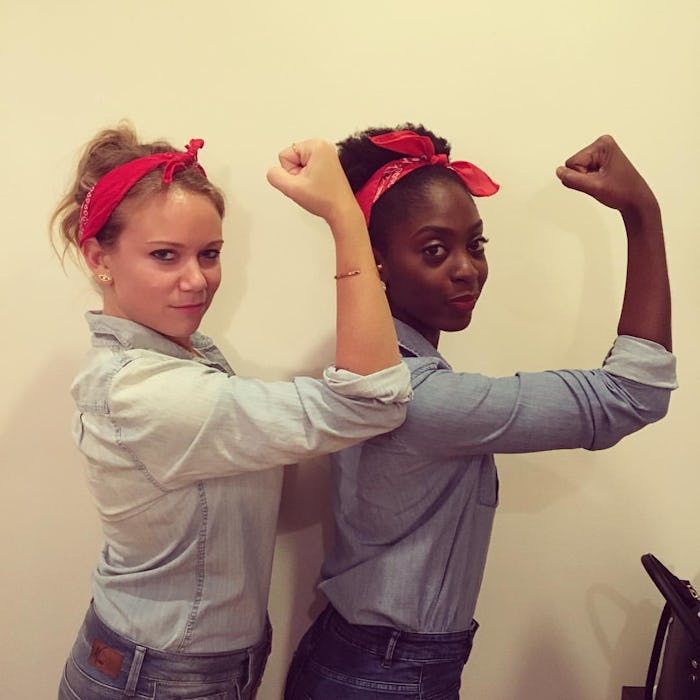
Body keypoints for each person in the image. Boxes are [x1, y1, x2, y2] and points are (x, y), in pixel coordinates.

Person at [283, 125, 677, 699]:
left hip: (363, 661)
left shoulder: (370, 374)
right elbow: (634, 393)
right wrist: (643, 213)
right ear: (377, 263)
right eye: (435, 250)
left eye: (477, 244)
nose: (467, 268)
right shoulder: (421, 401)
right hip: (387, 676)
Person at [52, 124, 412, 700]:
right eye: (164, 256)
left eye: (210, 254)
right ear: (99, 256)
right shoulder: (145, 391)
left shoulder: (180, 354)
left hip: (167, 660)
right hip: (163, 676)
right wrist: (345, 217)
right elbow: (373, 403)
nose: (197, 281)